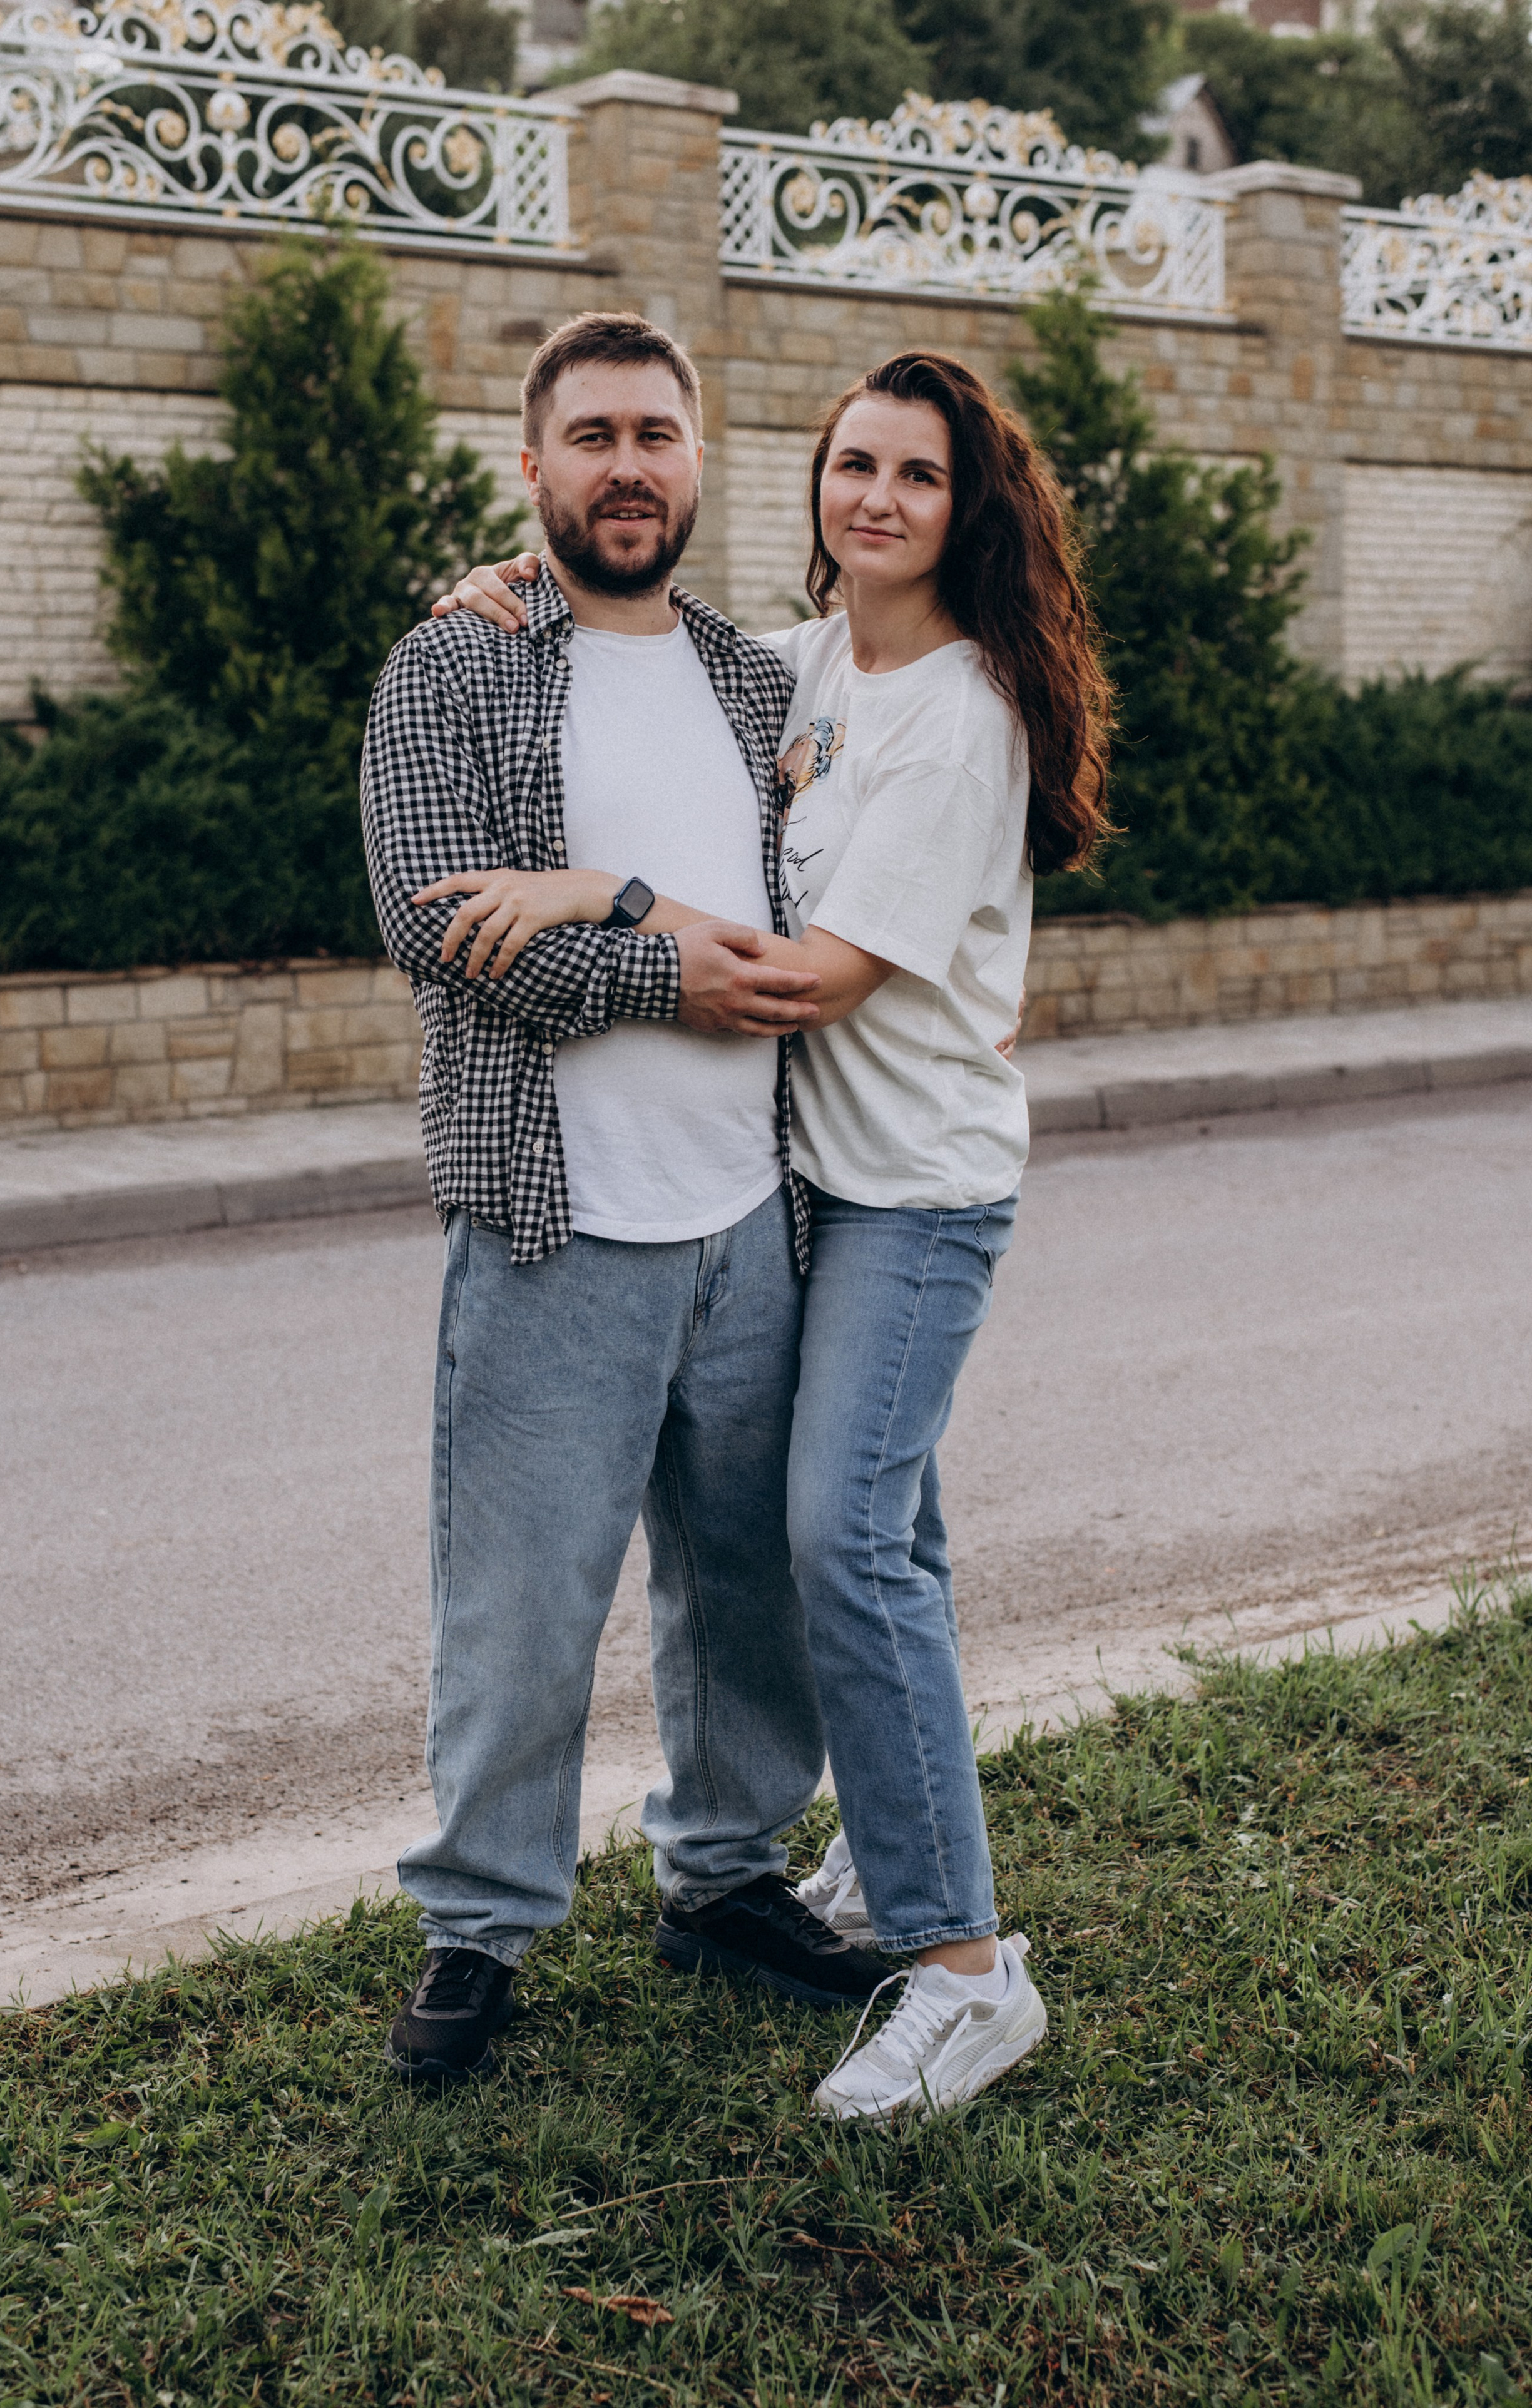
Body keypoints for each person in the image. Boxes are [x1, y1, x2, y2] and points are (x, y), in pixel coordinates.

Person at [433, 345, 1115, 2120]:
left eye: (919, 474)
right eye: (855, 464)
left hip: (912, 1193)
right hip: (805, 1185)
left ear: (967, 511)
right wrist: (508, 583)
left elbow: (807, 980)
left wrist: (601, 897)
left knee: (839, 1544)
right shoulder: (800, 666)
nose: (878, 498)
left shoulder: (964, 712)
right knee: (884, 1543)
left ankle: (964, 1970)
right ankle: (885, 1869)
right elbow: (633, 645)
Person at [359, 311, 896, 2094]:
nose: (627, 467)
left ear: (698, 460)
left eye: (656, 435)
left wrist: (630, 917)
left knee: (746, 1595)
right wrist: (670, 969)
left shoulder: (759, 677)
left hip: (754, 1219)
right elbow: (439, 918)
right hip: (555, 1224)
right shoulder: (455, 667)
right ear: (535, 468)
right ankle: (479, 1926)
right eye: (590, 437)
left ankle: (726, 1880)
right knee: (522, 1609)